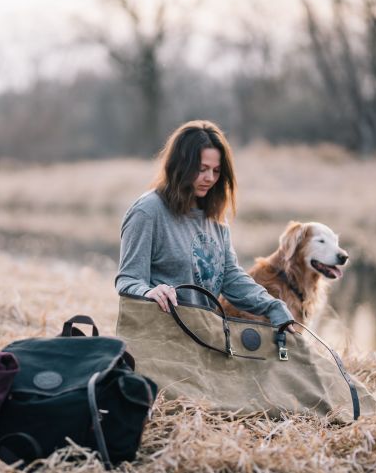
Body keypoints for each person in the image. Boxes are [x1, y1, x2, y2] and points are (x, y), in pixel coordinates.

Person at [115, 120, 296, 331]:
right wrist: (149, 292)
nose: (210, 178)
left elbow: (230, 276)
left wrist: (272, 306)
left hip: (205, 338)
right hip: (161, 339)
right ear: (180, 166)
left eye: (216, 171)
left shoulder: (214, 216)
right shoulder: (147, 212)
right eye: (202, 169)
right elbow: (128, 280)